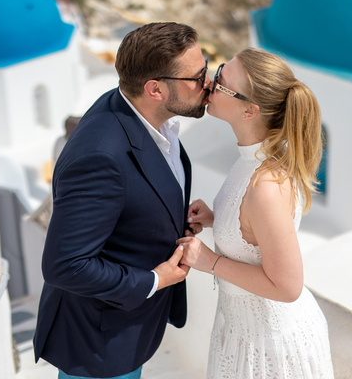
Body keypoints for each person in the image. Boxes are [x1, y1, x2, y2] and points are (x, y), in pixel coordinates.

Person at [33, 22, 211, 379]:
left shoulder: (140, 113)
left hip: (128, 330)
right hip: (101, 345)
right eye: (198, 76)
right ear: (155, 89)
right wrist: (153, 281)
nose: (208, 82)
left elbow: (131, 197)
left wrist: (172, 218)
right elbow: (64, 265)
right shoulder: (100, 156)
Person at [177, 48, 334, 378]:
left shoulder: (266, 185)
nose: (210, 81)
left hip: (271, 347)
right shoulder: (251, 160)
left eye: (222, 81)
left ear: (250, 110)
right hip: (243, 333)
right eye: (219, 70)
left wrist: (209, 262)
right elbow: (253, 234)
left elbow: (288, 286)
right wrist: (217, 218)